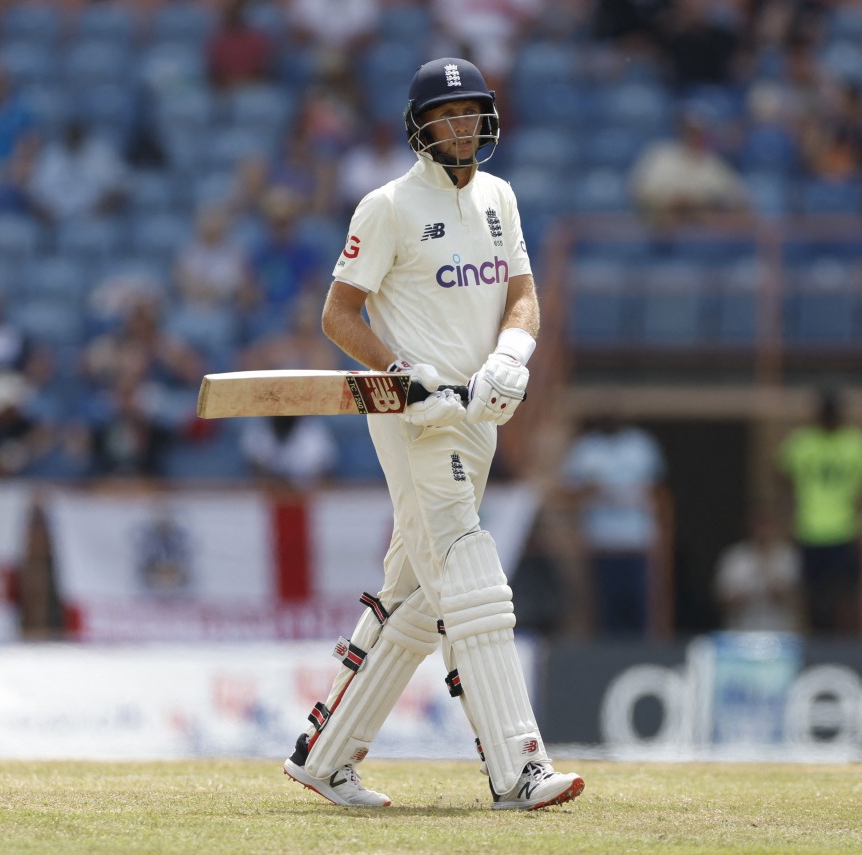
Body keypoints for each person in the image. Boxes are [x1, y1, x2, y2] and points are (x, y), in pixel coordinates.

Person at [281, 57, 584, 812]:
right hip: (418, 419)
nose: (462, 125)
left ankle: (325, 755)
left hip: (478, 416)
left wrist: (511, 356)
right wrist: (400, 369)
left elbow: (522, 294)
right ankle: (518, 767)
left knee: (415, 594)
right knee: (468, 570)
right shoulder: (386, 206)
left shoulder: (500, 197)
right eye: (447, 114)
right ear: (419, 126)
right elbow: (338, 314)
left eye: (471, 111)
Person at [778, 388, 862, 637]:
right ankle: (818, 639)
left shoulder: (855, 442)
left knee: (844, 592)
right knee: (812, 593)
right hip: (810, 528)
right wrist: (789, 514)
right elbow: (782, 475)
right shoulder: (802, 442)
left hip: (845, 528)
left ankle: (843, 640)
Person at [561, 414, 667, 637]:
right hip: (601, 540)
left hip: (636, 538)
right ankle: (606, 648)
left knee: (639, 600)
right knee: (605, 603)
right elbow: (570, 491)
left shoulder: (640, 445)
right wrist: (594, 490)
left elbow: (657, 489)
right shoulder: (587, 448)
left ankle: (642, 646)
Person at [713, 508, 802, 633]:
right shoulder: (734, 556)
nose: (763, 531)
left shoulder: (788, 556)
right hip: (741, 633)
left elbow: (796, 599)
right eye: (759, 525)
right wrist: (741, 598)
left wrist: (774, 588)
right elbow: (721, 601)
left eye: (767, 525)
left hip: (779, 634)